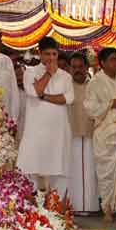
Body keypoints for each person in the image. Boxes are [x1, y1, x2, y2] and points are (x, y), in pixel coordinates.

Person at [16, 36, 73, 196]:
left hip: (58, 130)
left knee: (58, 171)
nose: (51, 58)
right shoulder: (30, 73)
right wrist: (48, 74)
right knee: (30, 167)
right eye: (47, 54)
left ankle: (57, 212)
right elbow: (34, 91)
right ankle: (30, 211)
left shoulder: (65, 76)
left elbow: (68, 99)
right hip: (36, 130)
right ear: (39, 54)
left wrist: (44, 97)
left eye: (54, 54)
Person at [85, 47, 116, 222]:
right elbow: (90, 108)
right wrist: (112, 103)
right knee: (106, 173)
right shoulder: (95, 83)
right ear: (102, 63)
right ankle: (107, 209)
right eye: (112, 59)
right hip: (105, 135)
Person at [68, 52, 99, 213]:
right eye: (74, 67)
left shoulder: (94, 85)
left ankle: (90, 206)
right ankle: (72, 206)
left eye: (80, 67)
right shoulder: (65, 86)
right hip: (70, 135)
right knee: (72, 172)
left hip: (91, 135)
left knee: (89, 173)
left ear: (87, 67)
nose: (77, 70)